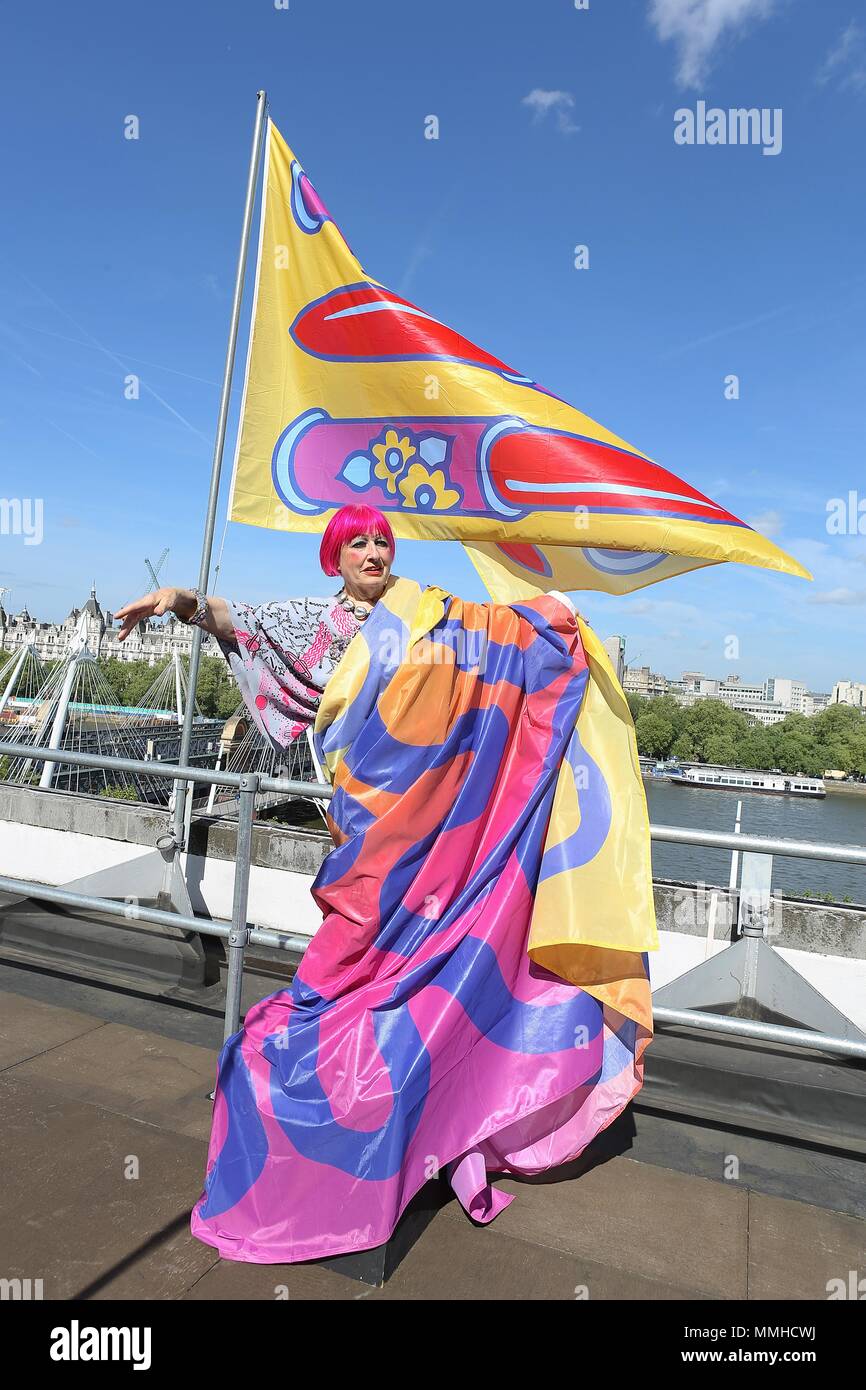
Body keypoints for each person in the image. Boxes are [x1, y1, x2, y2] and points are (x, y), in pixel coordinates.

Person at [116, 503, 656, 1266]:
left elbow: (508, 645)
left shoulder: (432, 615)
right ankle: (336, 1114)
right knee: (348, 966)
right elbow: (235, 622)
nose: (372, 551)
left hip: (439, 845)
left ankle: (420, 1115)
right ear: (334, 556)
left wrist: (555, 616)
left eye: (380, 540)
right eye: (356, 542)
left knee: (425, 972)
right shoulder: (313, 622)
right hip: (371, 837)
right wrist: (175, 599)